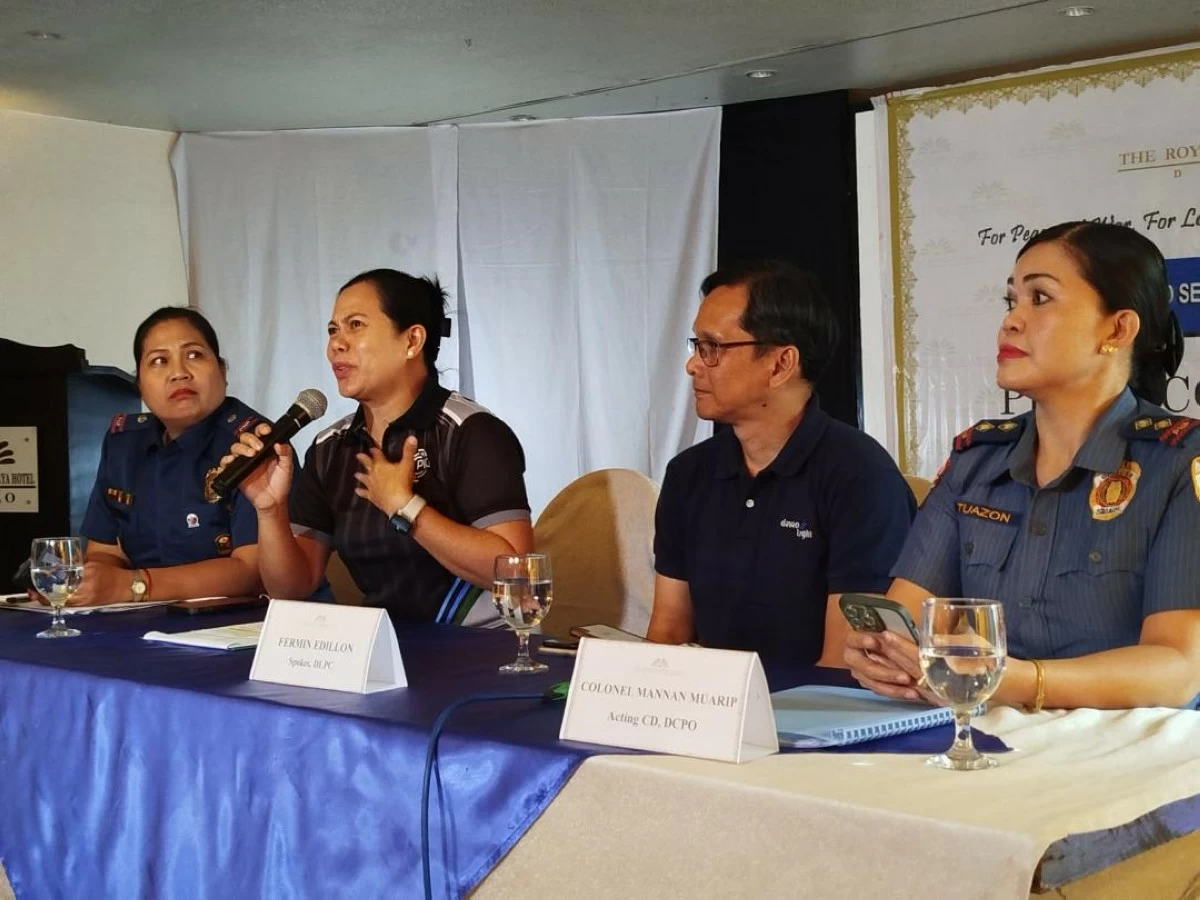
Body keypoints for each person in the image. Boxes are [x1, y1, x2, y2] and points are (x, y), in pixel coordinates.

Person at [846, 221, 1200, 710]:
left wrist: (1014, 681)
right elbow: (907, 618)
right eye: (1011, 301)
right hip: (980, 737)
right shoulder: (977, 461)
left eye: (1040, 298)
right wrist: (880, 654)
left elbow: (1177, 669)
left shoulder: (1180, 463)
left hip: (1128, 760)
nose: (1011, 321)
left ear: (1117, 328)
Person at [647, 260, 917, 666]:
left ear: (780, 364)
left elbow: (845, 665)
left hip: (814, 718)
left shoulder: (860, 476)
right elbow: (668, 633)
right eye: (695, 345)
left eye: (712, 347)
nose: (693, 364)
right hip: (710, 711)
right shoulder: (688, 473)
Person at [225, 268, 533, 623]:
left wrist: (406, 507)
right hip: (381, 648)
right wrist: (270, 510)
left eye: (355, 325)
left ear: (412, 341)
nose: (336, 344)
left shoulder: (471, 431)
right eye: (332, 330)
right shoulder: (330, 447)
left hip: (480, 651)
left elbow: (516, 574)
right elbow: (290, 589)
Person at [75, 307, 268, 605]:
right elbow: (104, 551)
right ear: (139, 384)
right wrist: (88, 584)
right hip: (145, 622)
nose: (179, 373)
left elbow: (252, 571)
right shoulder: (123, 444)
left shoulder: (252, 444)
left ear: (223, 371)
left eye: (194, 355)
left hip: (240, 626)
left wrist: (134, 585)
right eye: (159, 361)